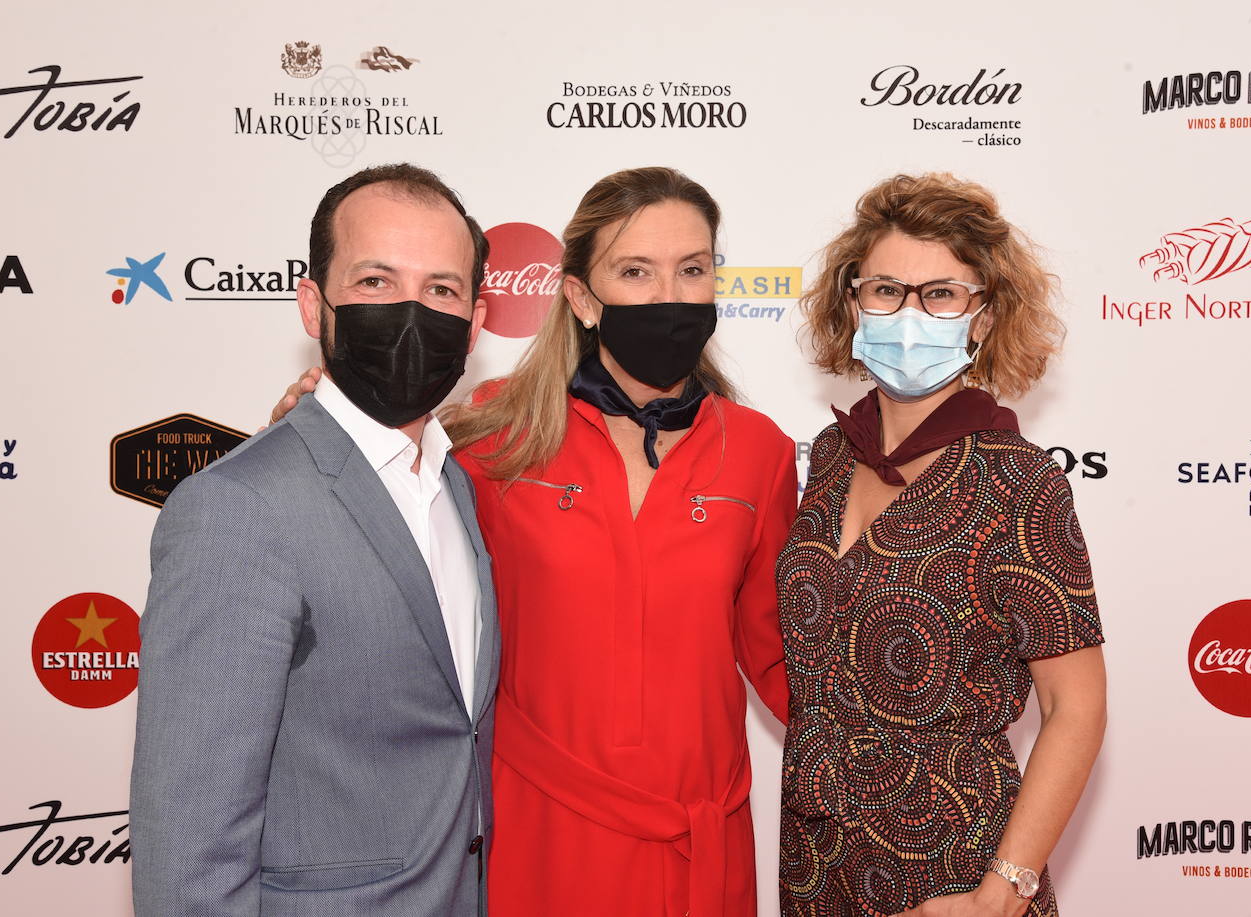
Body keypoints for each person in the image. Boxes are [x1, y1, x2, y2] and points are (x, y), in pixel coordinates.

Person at [273, 166, 794, 916]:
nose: (669, 296)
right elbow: (357, 533)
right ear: (582, 296)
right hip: (539, 832)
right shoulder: (487, 432)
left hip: (699, 848)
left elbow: (780, 656)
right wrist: (306, 426)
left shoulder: (760, 450)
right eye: (635, 271)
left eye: (692, 269)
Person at [130, 163, 500, 917]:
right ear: (312, 304)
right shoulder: (237, 508)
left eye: (441, 289)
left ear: (476, 315)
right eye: (374, 281)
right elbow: (188, 854)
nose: (409, 310)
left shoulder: (455, 485)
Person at [778, 173, 1107, 917]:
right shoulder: (831, 455)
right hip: (814, 861)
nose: (909, 312)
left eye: (942, 294)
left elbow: (1076, 708)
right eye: (887, 288)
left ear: (983, 316)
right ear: (853, 301)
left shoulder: (1016, 481)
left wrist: (1001, 893)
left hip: (954, 867)